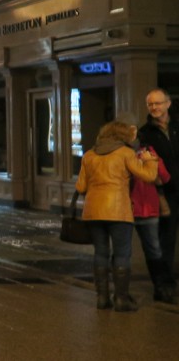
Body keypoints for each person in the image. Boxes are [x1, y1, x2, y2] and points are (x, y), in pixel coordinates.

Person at [76, 120, 158, 311]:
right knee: (121, 253)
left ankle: (102, 298)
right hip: (118, 210)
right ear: (123, 136)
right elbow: (148, 176)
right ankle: (121, 299)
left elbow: (80, 187)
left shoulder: (88, 155)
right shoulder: (126, 153)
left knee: (101, 252)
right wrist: (150, 160)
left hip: (93, 211)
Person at [138, 88, 179, 301]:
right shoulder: (145, 133)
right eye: (151, 104)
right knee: (165, 241)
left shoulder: (176, 127)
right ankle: (164, 284)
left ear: (168, 104)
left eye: (158, 103)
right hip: (164, 194)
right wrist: (161, 193)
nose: (154, 108)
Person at [131, 136, 173, 304]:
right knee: (123, 251)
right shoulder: (121, 154)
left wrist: (153, 160)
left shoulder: (149, 152)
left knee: (154, 250)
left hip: (147, 209)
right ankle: (120, 292)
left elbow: (165, 177)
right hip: (128, 209)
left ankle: (161, 287)